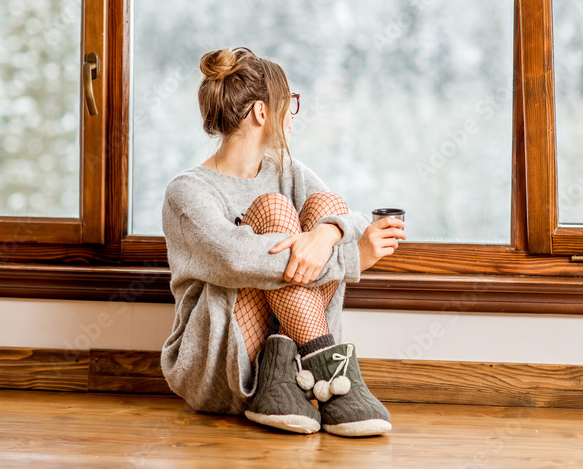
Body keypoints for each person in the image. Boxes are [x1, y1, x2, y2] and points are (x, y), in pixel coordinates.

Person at [160, 46, 406, 437]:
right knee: (274, 210)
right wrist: (350, 258)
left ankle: (281, 379)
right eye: (289, 103)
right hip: (218, 367)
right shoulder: (187, 191)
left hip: (292, 374)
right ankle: (333, 373)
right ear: (261, 112)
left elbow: (353, 218)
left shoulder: (286, 170)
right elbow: (237, 259)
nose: (293, 115)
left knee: (327, 205)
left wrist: (329, 233)